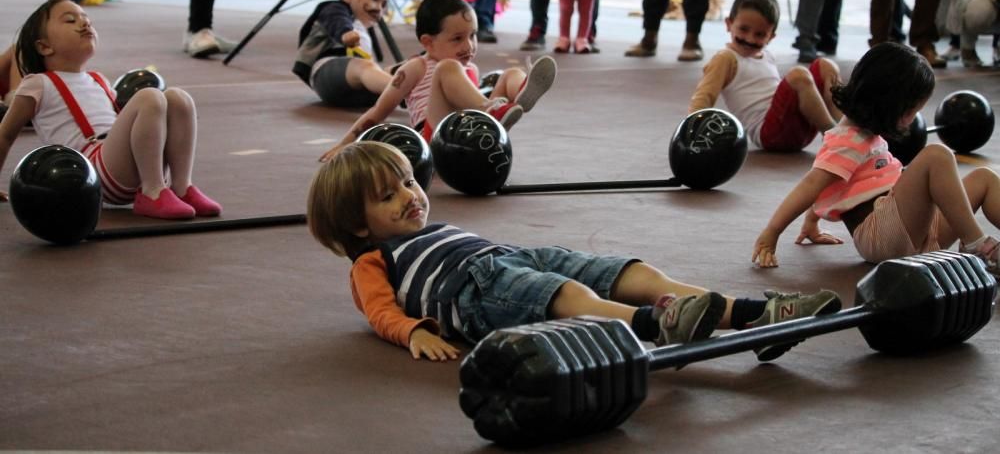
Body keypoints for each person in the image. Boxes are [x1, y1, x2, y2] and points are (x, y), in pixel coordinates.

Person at [308, 140, 843, 361]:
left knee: (624, 271)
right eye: (388, 195)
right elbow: (379, 311)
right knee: (566, 294)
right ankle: (654, 324)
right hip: (478, 292)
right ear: (358, 223)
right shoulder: (370, 263)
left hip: (515, 257)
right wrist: (414, 332)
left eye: (407, 181)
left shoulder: (428, 230)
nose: (409, 196)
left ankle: (755, 315)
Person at [753, 42, 1000, 274]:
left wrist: (812, 221)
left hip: (910, 230)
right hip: (881, 237)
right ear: (890, 105)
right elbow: (812, 184)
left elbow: (836, 184)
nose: (915, 118)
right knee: (937, 155)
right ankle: (976, 245)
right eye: (913, 110)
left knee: (984, 179)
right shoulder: (847, 141)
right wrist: (772, 231)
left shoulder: (864, 134)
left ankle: (975, 242)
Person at [0, 0, 221, 220]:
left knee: (178, 97)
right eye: (70, 20)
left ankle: (181, 187)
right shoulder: (38, 83)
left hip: (132, 158)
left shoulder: (98, 79)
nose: (85, 24)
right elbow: (5, 134)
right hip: (93, 169)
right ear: (44, 46)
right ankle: (152, 191)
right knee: (149, 97)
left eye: (87, 19)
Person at [320, 0, 557, 161]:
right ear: (428, 42)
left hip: (467, 132)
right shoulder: (416, 67)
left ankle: (522, 92)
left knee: (510, 74)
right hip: (436, 138)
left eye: (472, 36)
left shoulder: (469, 70)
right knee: (447, 68)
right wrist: (345, 144)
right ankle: (489, 112)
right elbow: (378, 111)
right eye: (457, 39)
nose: (469, 46)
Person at [689, 0, 842, 151]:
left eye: (760, 34)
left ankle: (846, 130)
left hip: (796, 126)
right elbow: (704, 95)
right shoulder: (726, 58)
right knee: (798, 75)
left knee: (825, 65)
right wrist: (692, 131)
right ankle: (836, 137)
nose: (750, 38)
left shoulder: (767, 55)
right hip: (769, 134)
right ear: (729, 24)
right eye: (744, 29)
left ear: (771, 37)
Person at [293, 0, 394, 107]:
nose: (379, 9)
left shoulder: (363, 28)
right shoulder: (335, 9)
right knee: (365, 66)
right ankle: (405, 93)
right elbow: (336, 19)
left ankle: (412, 92)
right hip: (327, 76)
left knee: (405, 68)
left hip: (358, 90)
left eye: (384, 5)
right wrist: (345, 33)